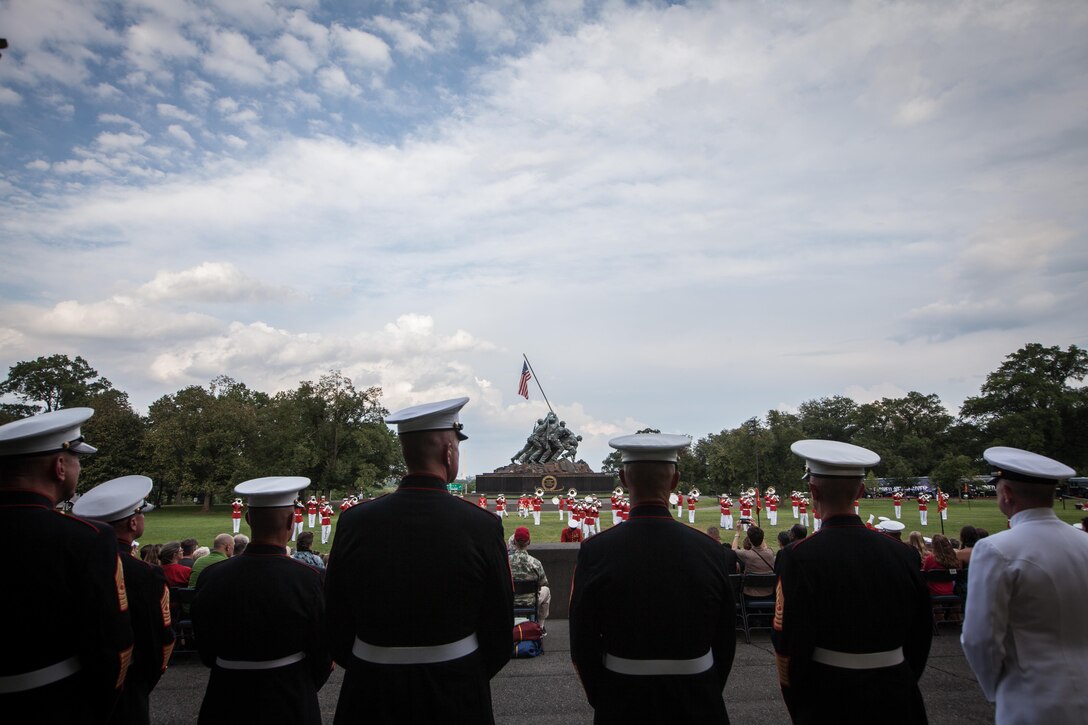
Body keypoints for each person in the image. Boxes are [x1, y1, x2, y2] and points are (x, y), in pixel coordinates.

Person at [326, 397, 512, 723]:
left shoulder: (356, 521)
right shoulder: (481, 524)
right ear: (448, 452)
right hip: (456, 688)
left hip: (370, 689)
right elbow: (498, 624)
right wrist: (467, 671)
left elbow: (334, 617)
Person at [570, 433, 735, 723]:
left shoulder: (595, 550)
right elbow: (725, 639)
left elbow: (582, 643)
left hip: (622, 698)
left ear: (623, 478)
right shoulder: (710, 550)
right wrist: (707, 684)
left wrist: (603, 696)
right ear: (674, 481)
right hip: (698, 696)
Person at [773, 440, 931, 724]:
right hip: (897, 692)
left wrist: (799, 703)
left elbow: (791, 642)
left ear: (813, 490)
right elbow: (921, 633)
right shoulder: (903, 553)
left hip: (830, 696)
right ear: (860, 491)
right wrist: (902, 677)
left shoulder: (797, 556)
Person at [0, 407, 134, 721]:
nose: (78, 468)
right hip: (53, 700)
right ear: (60, 465)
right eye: (76, 459)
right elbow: (111, 644)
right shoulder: (86, 539)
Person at [961, 447, 1088, 723]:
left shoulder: (995, 548)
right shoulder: (1084, 543)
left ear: (1006, 493)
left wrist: (996, 689)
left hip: (1032, 695)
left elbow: (980, 638)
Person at [191, 476, 331, 724]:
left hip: (225, 695)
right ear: (290, 521)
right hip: (288, 696)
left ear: (248, 520)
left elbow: (205, 646)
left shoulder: (212, 575)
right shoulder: (309, 578)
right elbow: (322, 652)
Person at [72, 475, 174, 725]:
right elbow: (159, 644)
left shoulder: (73, 561)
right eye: (141, 514)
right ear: (132, 523)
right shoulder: (143, 574)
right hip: (128, 685)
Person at [509, 526, 551, 632]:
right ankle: (540, 626)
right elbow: (543, 583)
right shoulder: (535, 563)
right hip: (531, 601)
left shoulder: (505, 562)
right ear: (529, 542)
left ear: (514, 542)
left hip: (509, 600)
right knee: (546, 591)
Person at [729, 522, 775, 599]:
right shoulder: (770, 552)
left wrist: (738, 532)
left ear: (749, 541)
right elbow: (764, 546)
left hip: (750, 593)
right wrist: (758, 529)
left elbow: (733, 549)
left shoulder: (747, 554)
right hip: (768, 592)